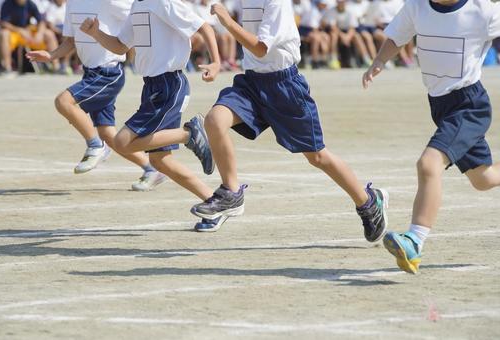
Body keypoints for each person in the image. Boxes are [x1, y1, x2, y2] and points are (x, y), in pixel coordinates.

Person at [190, 1, 389, 236]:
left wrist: (227, 21)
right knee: (214, 120)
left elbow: (261, 48)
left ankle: (368, 203)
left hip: (285, 86)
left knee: (317, 156)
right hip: (252, 83)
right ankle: (231, 192)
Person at [363, 0, 500, 274]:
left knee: (429, 164)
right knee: (483, 179)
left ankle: (414, 241)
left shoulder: (483, 10)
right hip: (440, 105)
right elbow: (397, 36)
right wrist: (379, 61)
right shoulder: (417, 6)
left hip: (469, 106)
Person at [79, 0, 224, 221]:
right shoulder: (138, 6)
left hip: (168, 85)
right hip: (152, 87)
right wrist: (96, 33)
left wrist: (216, 62)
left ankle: (189, 134)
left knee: (120, 142)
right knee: (160, 160)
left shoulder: (164, 2)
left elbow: (203, 26)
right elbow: (120, 45)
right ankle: (214, 205)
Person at [27, 0, 166, 192]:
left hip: (108, 73)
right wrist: (51, 56)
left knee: (63, 101)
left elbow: (137, 15)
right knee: (108, 134)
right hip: (90, 73)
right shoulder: (72, 4)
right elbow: (70, 41)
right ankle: (151, 169)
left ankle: (95, 145)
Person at [0, 0, 59, 75]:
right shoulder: (7, 4)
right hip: (13, 32)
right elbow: (3, 23)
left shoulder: (30, 3)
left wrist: (39, 33)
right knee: (3, 33)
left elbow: (41, 21)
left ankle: (56, 67)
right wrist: (19, 30)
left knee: (49, 34)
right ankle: (7, 68)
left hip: (28, 33)